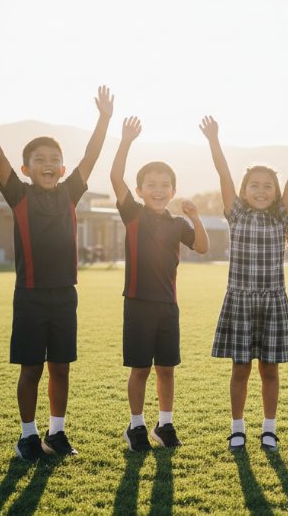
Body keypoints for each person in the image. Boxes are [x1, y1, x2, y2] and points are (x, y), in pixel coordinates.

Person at [0, 81, 113, 461]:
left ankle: (57, 433)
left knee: (60, 367)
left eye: (54, 159)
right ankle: (27, 436)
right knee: (32, 369)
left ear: (62, 168)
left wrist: (104, 119)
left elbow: (92, 157)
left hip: (65, 295)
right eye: (40, 160)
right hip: (29, 296)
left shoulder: (70, 192)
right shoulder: (19, 194)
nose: (48, 164)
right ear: (27, 168)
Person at [201, 114, 288, 453]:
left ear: (276, 194)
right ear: (244, 192)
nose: (261, 191)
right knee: (240, 369)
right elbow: (223, 173)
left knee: (270, 371)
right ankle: (237, 429)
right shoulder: (237, 214)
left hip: (273, 301)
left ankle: (269, 430)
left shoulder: (280, 216)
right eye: (254, 186)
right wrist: (214, 139)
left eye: (267, 186)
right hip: (241, 301)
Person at [111, 116, 209, 451]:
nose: (158, 189)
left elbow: (202, 246)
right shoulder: (133, 214)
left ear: (173, 190)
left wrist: (195, 217)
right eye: (150, 184)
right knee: (140, 369)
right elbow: (114, 177)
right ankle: (136, 426)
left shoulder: (178, 222)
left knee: (166, 369)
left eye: (164, 184)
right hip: (137, 303)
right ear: (139, 191)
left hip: (168, 306)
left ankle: (164, 426)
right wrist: (125, 141)